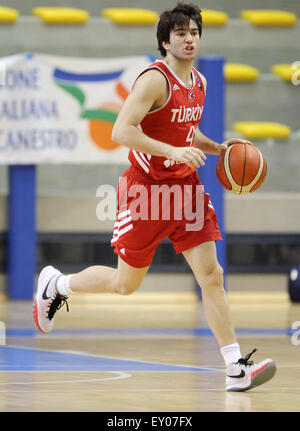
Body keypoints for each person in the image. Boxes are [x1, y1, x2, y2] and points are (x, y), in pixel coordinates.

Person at [33, 2, 276, 392]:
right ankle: (57, 285)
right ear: (166, 41)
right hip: (146, 189)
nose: (189, 38)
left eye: (194, 32)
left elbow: (184, 131)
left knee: (212, 275)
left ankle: (235, 366)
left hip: (186, 190)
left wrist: (216, 147)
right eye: (180, 33)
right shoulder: (153, 80)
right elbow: (121, 131)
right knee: (125, 285)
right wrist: (171, 152)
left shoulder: (200, 82)